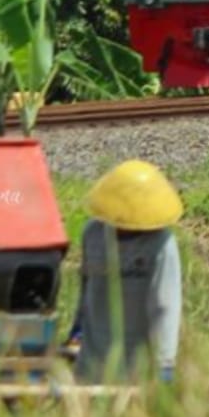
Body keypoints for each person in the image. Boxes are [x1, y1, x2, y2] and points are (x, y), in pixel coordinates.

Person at [72, 160, 184, 383]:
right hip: (93, 360)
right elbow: (87, 286)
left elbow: (166, 306)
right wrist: (77, 329)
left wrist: (164, 362)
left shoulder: (161, 245)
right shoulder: (93, 234)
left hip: (138, 364)